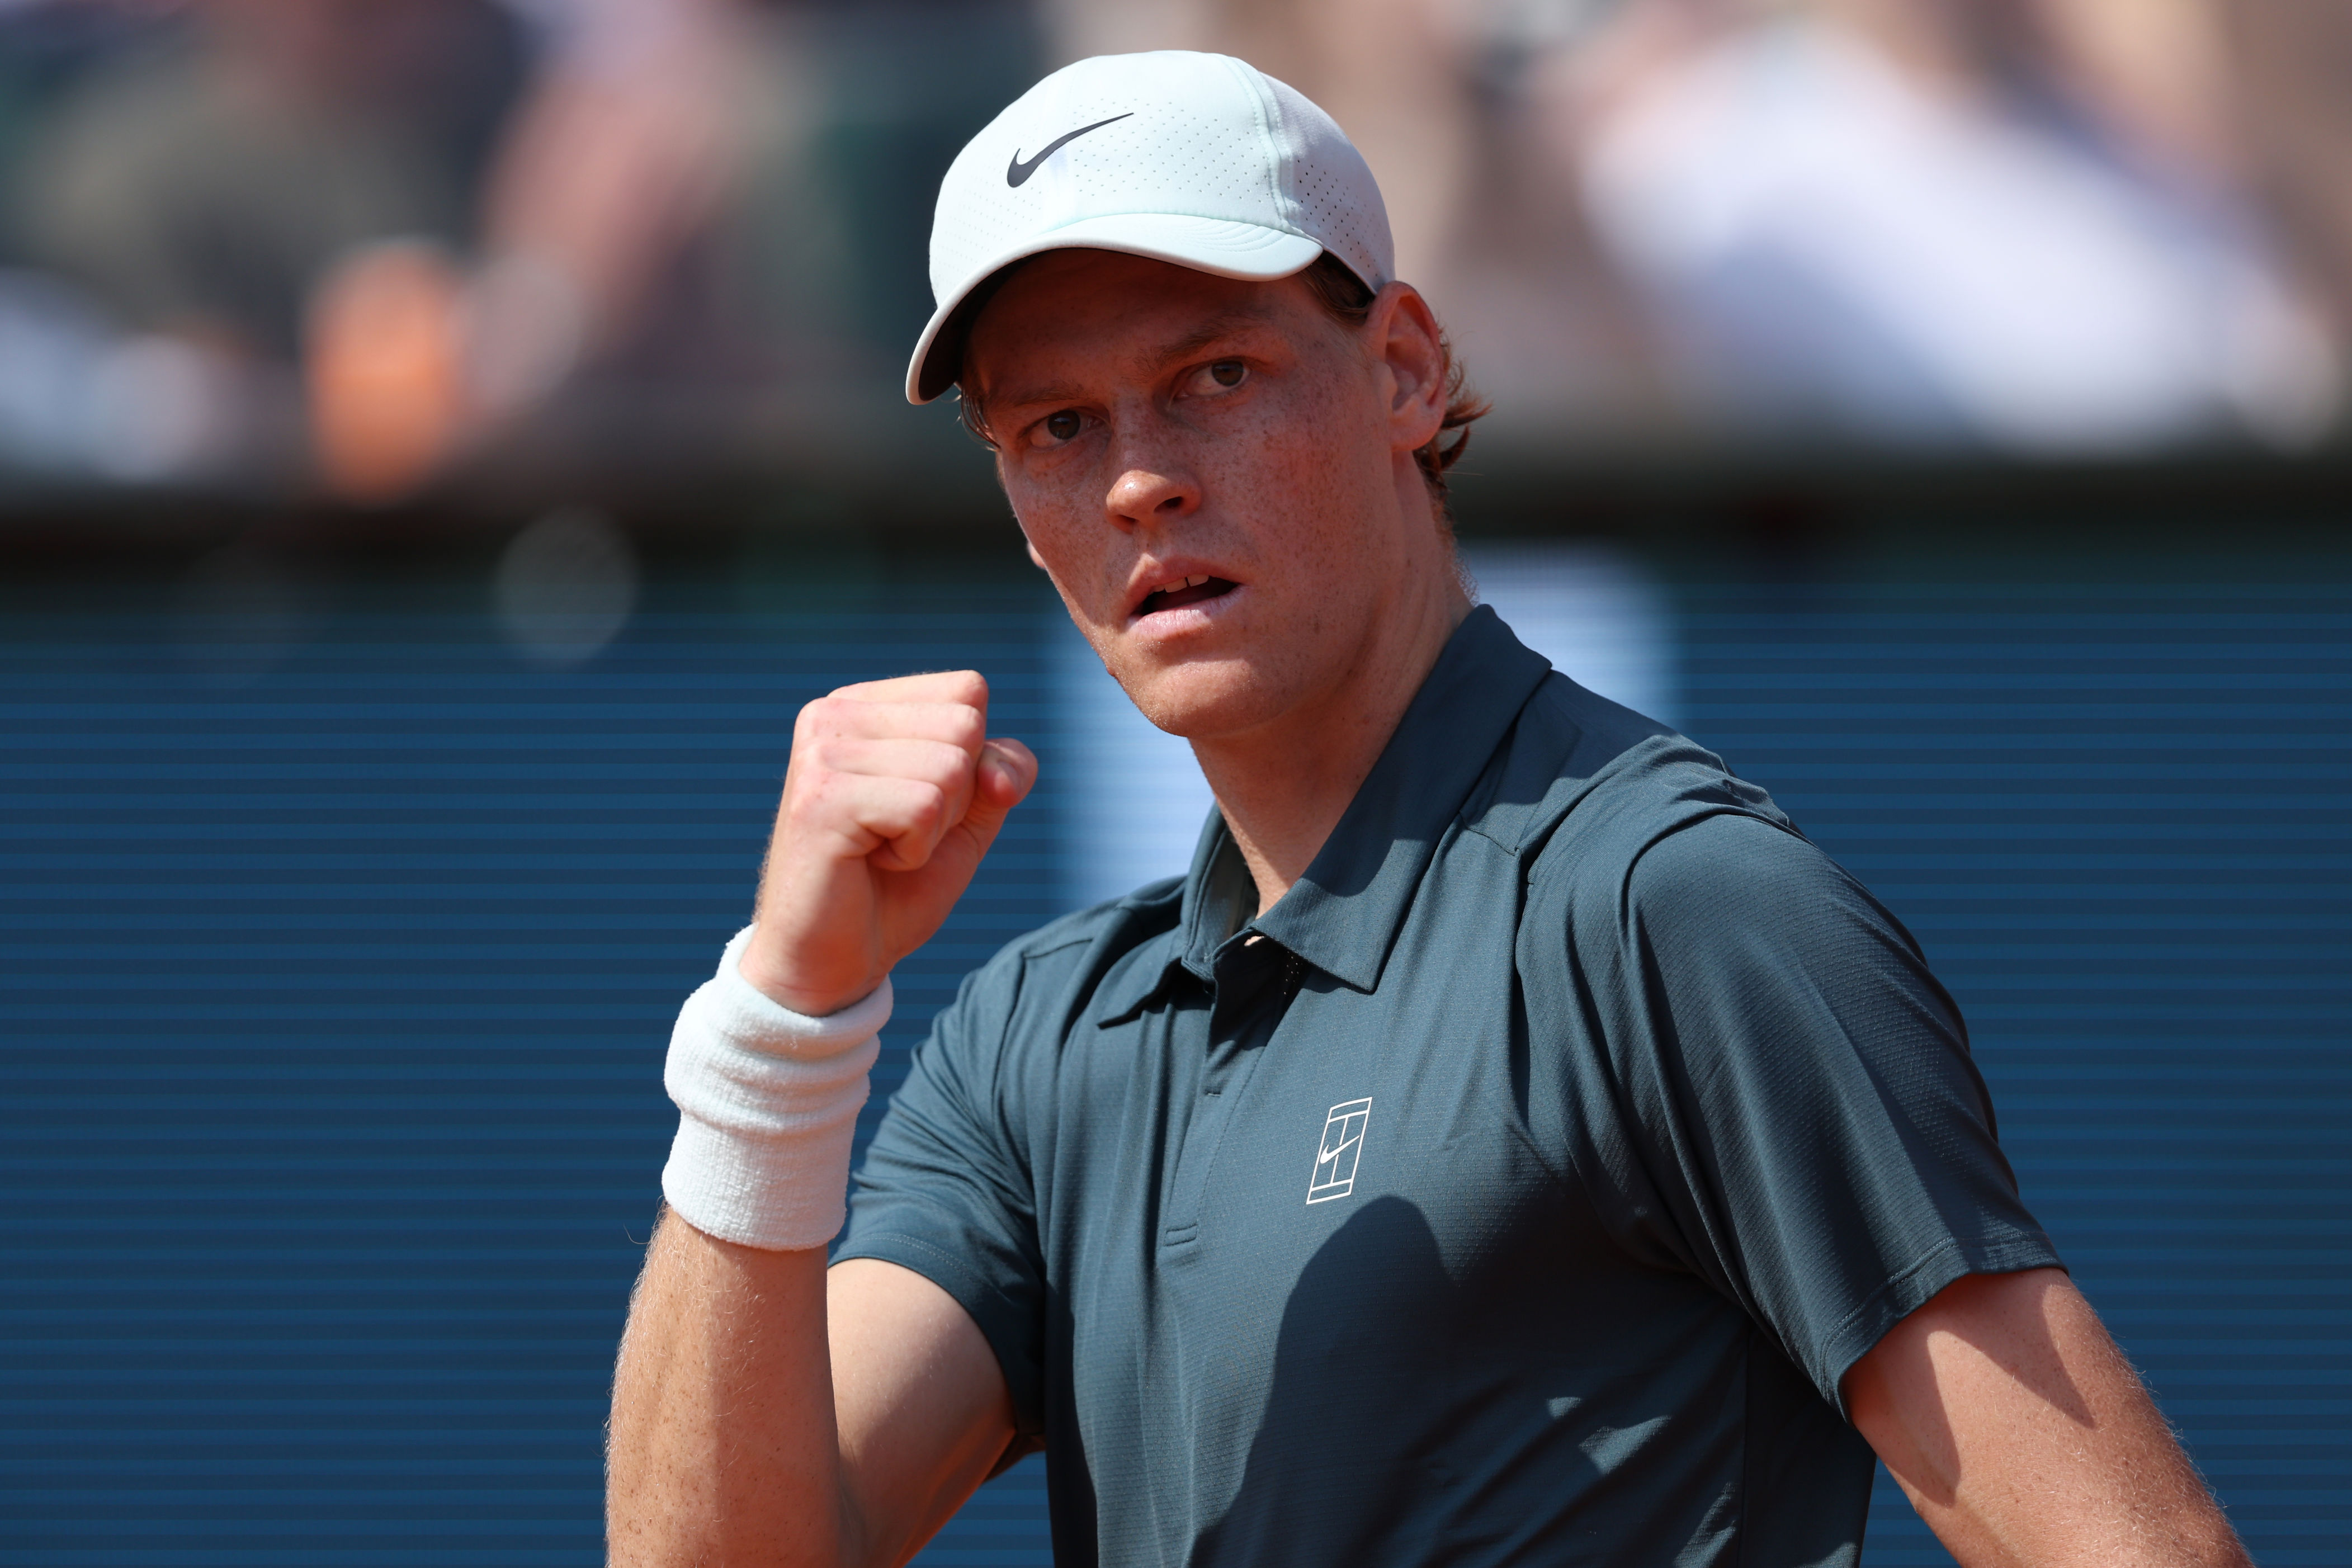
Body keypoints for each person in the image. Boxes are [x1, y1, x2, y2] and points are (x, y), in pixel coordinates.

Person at [607, 50, 2251, 1567]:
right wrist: (785, 1013)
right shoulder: (1036, 1046)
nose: (1136, 478)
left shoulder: (1676, 911)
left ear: (1405, 369)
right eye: (1056, 426)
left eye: (1217, 374)